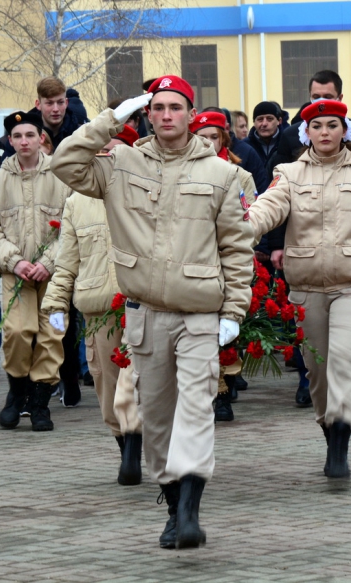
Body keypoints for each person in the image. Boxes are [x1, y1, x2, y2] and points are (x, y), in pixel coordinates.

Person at [51, 75, 253, 550]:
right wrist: (112, 119)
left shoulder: (220, 173)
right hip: (145, 313)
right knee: (156, 416)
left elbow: (237, 248)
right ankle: (169, 496)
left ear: (190, 113)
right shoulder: (120, 163)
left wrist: (234, 310)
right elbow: (65, 162)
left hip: (200, 313)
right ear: (146, 114)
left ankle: (189, 510)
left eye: (175, 107)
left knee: (197, 405)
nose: (166, 116)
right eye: (157, 107)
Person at [247, 99, 351, 476]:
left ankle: (342, 438)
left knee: (346, 360)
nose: (325, 133)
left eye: (332, 126)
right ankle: (329, 427)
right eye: (317, 127)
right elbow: (268, 208)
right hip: (306, 288)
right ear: (306, 133)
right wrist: (243, 224)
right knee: (317, 371)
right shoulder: (288, 173)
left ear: (344, 131)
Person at [43, 125, 143, 483]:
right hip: (99, 307)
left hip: (142, 303)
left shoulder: (146, 192)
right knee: (107, 385)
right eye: (99, 152)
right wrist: (56, 303)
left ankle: (135, 447)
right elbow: (66, 260)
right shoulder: (76, 202)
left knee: (134, 383)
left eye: (113, 150)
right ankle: (123, 441)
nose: (105, 157)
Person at [0, 110, 70, 430]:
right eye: (17, 136)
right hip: (14, 274)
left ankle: (40, 400)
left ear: (41, 137)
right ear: (10, 140)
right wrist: (14, 261)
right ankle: (17, 392)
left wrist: (48, 262)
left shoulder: (60, 176)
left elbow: (72, 229)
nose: (24, 141)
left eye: (30, 135)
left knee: (51, 334)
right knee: (16, 331)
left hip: (54, 277)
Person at [188, 110, 258, 422]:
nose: (207, 143)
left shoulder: (240, 176)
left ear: (223, 139)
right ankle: (216, 393)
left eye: (213, 137)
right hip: (194, 261)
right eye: (201, 138)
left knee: (227, 326)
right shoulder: (185, 172)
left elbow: (250, 220)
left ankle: (227, 381)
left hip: (228, 260)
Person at [277, 70, 351, 170]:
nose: (322, 102)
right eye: (316, 96)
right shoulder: (290, 135)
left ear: (339, 98)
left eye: (328, 96)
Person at [0, 78, 89, 157]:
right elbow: (7, 170)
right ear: (38, 104)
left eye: (60, 102)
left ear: (66, 103)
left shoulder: (79, 134)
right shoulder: (22, 134)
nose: (55, 109)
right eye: (49, 103)